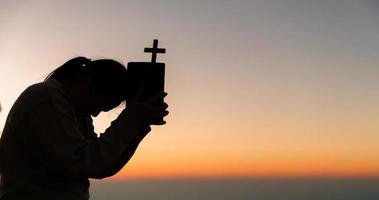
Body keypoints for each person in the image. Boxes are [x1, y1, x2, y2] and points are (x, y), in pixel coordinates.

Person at [0, 57, 169, 199]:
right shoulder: (46, 98)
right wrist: (131, 120)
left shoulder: (76, 109)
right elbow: (87, 163)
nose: (95, 114)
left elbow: (103, 165)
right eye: (100, 106)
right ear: (84, 83)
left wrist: (138, 124)